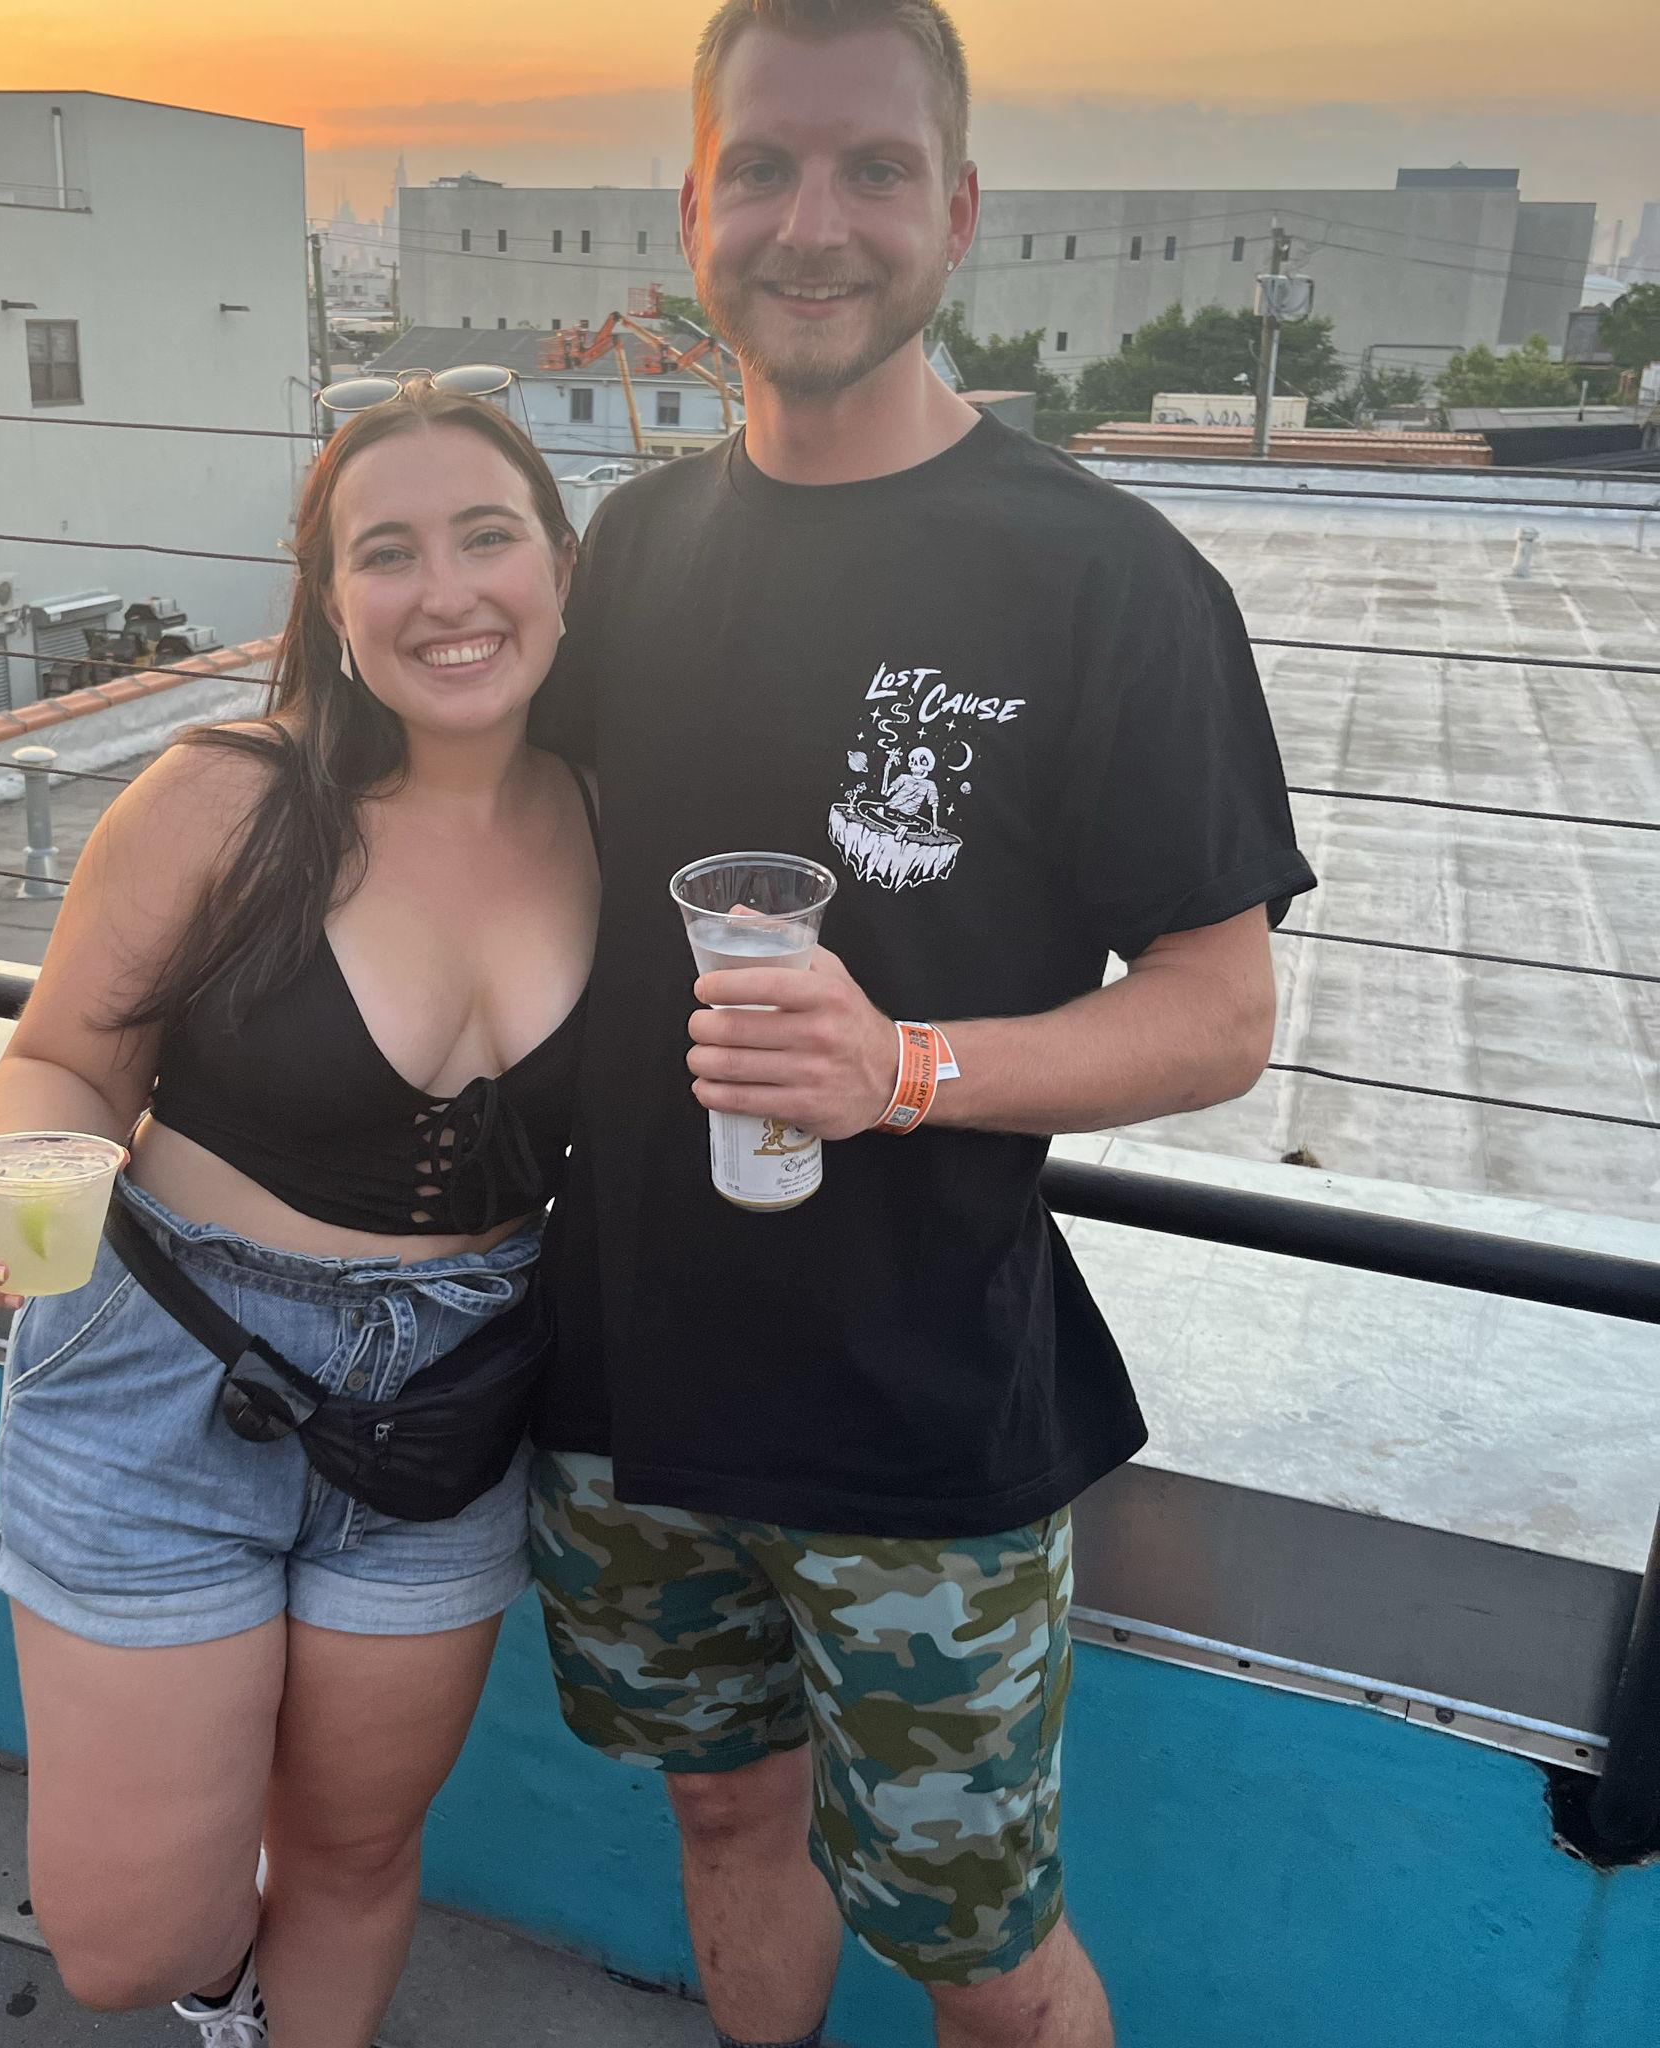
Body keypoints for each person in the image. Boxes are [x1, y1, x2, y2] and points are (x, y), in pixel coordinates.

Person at [526, 5, 1317, 2046]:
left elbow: (1220, 1014)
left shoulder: (1107, 579)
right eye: (763, 168)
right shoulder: (633, 549)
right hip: (619, 1373)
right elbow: (487, 850)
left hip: (917, 1413)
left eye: (873, 169)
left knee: (983, 1953)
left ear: (956, 213)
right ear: (692, 209)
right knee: (724, 1810)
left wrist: (907, 1070)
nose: (814, 223)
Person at [0, 378, 592, 2048]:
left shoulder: (609, 815)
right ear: (332, 601)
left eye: (487, 536)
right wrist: (16, 1190)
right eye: (388, 552)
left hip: (446, 1405)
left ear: (560, 567)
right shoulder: (227, 797)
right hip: (165, 1375)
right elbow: (63, 1059)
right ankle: (226, 1997)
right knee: (126, 1939)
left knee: (353, 1855)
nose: (445, 590)